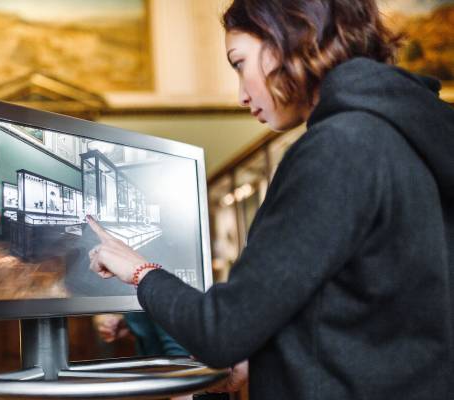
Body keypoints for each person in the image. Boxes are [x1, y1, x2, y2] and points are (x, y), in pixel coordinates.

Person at [86, 0, 454, 399]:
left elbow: (222, 331)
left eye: (239, 62)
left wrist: (139, 270)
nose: (241, 94)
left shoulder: (340, 146)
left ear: (290, 40)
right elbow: (359, 312)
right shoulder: (396, 131)